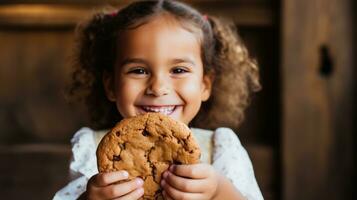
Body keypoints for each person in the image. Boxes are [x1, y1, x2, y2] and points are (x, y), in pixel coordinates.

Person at [53, 0, 263, 199]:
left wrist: (219, 192)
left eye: (179, 70)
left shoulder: (221, 149)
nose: (158, 87)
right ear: (111, 85)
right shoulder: (91, 149)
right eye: (139, 70)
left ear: (204, 85)